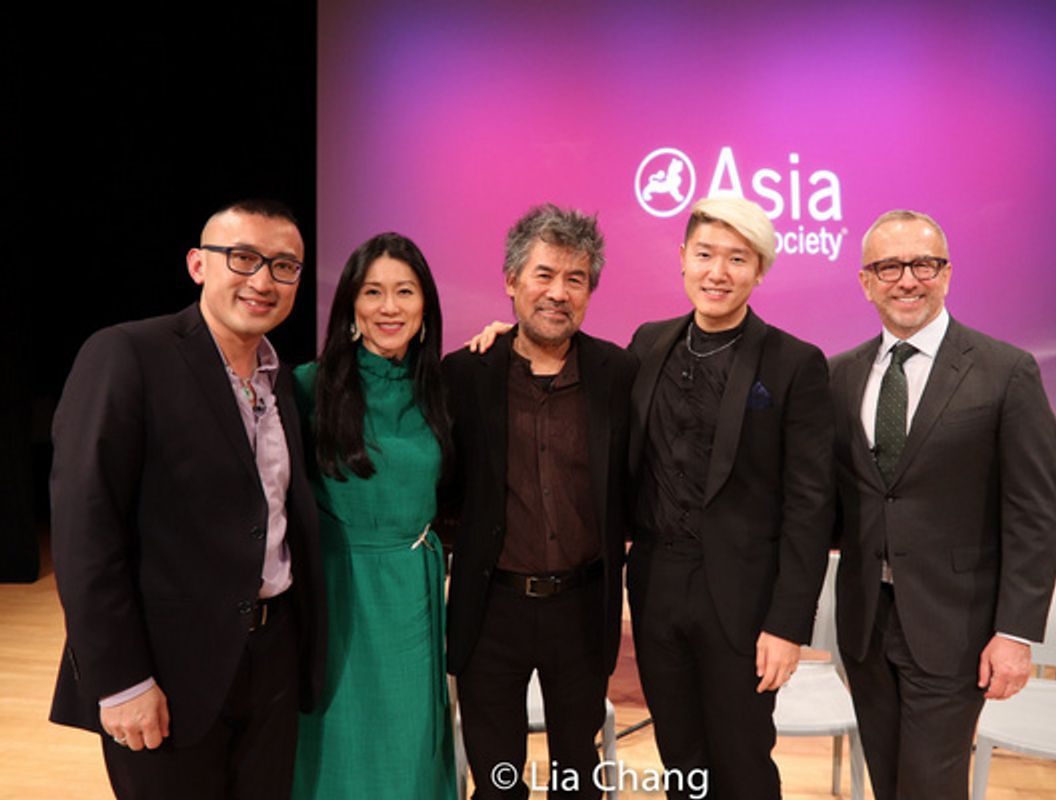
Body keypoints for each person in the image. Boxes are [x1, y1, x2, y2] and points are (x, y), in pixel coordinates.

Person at [49, 199, 326, 799]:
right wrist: (121, 681)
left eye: (284, 266)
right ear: (199, 264)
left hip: (272, 656)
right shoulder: (127, 354)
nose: (263, 281)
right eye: (244, 258)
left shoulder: (281, 381)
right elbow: (84, 530)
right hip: (166, 671)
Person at [830, 209, 1056, 800]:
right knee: (888, 781)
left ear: (947, 274)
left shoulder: (1006, 372)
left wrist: (1016, 632)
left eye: (923, 264)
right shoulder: (840, 375)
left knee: (931, 787)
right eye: (889, 267)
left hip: (955, 627)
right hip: (864, 624)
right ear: (865, 280)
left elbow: (1033, 514)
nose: (907, 279)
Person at [625, 195, 835, 800]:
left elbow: (809, 507)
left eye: (737, 259)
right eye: (705, 255)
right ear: (683, 261)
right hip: (658, 583)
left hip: (744, 601)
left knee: (741, 764)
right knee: (681, 760)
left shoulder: (795, 363)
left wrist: (787, 625)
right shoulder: (648, 344)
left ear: (760, 269)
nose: (718, 272)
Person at [441, 204, 637, 799]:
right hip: (491, 607)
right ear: (511, 281)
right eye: (543, 274)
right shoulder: (465, 374)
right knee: (496, 783)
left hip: (582, 609)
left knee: (578, 780)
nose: (558, 292)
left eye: (575, 279)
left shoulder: (619, 373)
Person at [290, 232, 455, 798]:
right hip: (336, 590)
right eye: (374, 292)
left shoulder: (441, 386)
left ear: (425, 305)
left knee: (409, 749)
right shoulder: (308, 387)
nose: (390, 307)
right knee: (336, 738)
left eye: (405, 292)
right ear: (352, 307)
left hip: (412, 589)